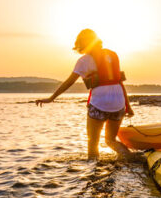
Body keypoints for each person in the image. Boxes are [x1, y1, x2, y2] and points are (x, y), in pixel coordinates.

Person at [35, 29, 134, 160]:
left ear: (82, 43)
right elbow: (119, 82)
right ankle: (133, 159)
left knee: (93, 142)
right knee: (110, 140)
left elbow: (69, 82)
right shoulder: (113, 55)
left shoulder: (84, 60)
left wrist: (51, 98)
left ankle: (92, 172)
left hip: (99, 104)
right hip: (118, 103)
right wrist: (128, 106)